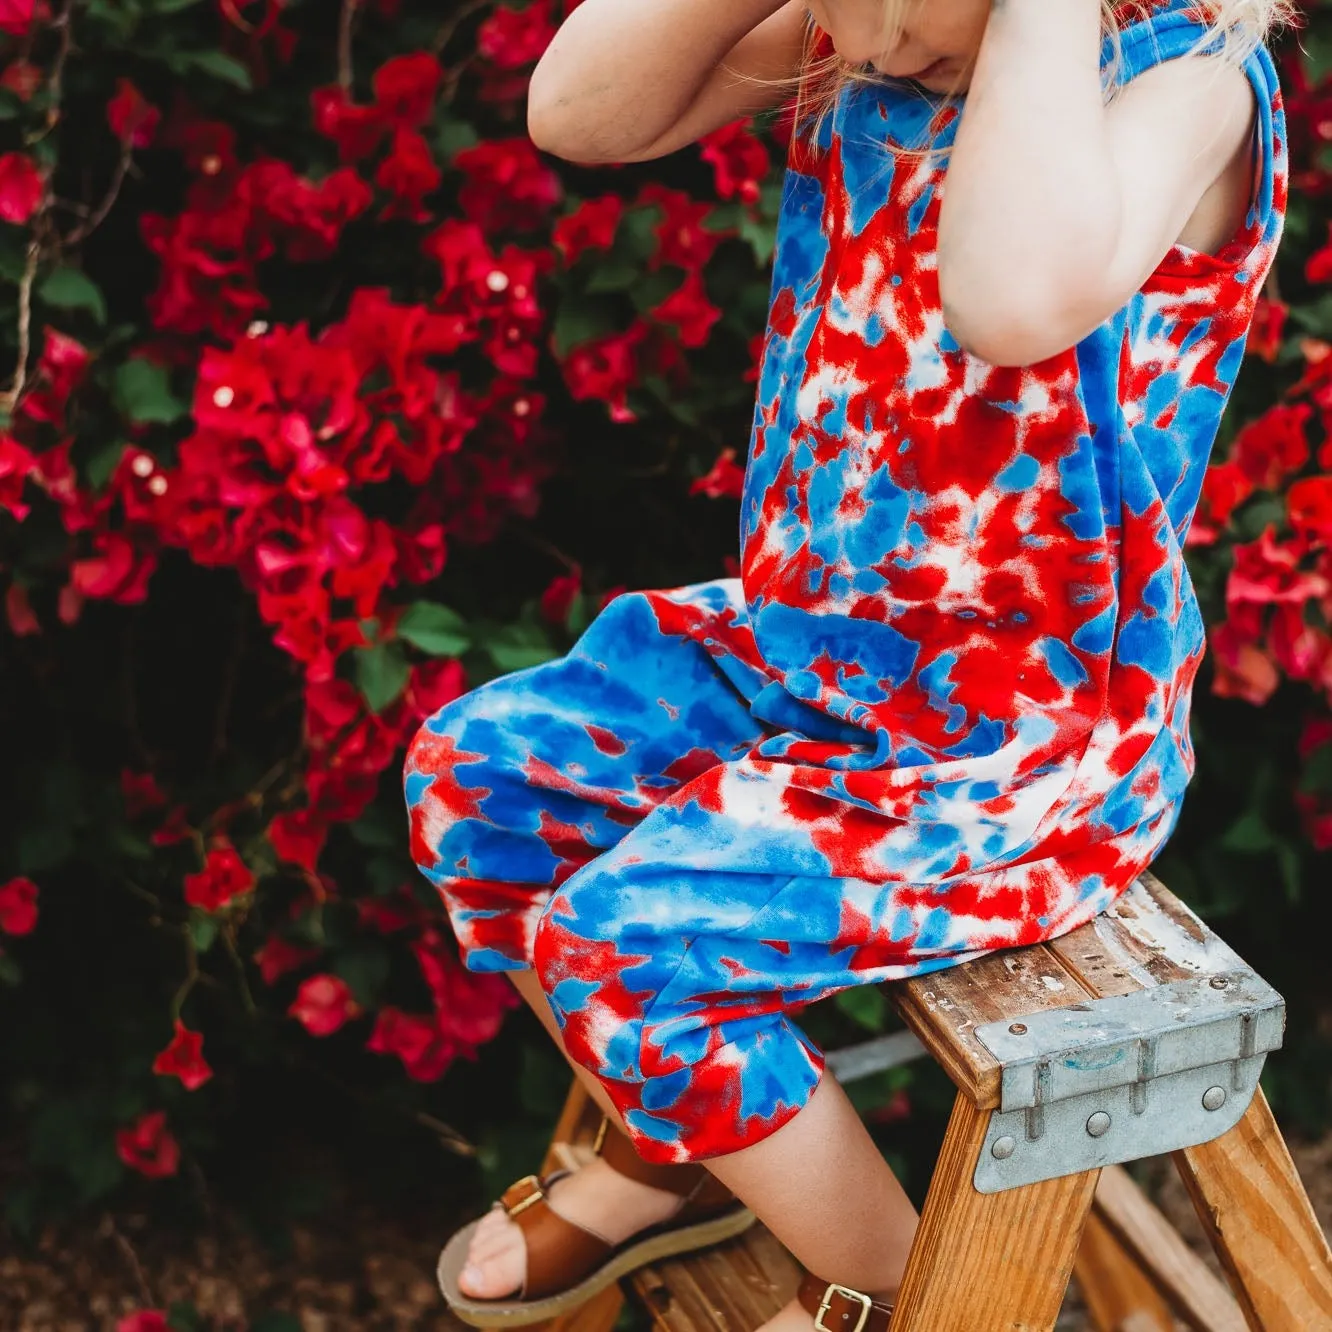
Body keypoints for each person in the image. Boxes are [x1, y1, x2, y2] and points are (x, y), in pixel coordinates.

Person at [405, 1, 1289, 1327]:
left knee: (621, 948)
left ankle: (902, 1289)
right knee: (480, 784)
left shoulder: (1185, 90)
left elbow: (1011, 303)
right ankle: (685, 1151)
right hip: (816, 652)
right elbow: (579, 115)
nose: (863, 44)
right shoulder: (885, 40)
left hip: (1023, 740)